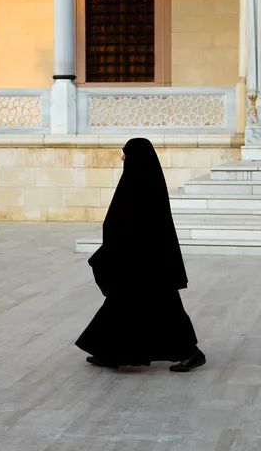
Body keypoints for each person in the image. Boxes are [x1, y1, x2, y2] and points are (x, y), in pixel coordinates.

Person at [75, 137, 206, 372]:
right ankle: (108, 352)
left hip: (146, 261)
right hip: (139, 258)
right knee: (124, 304)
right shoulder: (142, 181)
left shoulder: (141, 184)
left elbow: (137, 223)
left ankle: (191, 353)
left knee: (162, 308)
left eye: (126, 153)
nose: (123, 157)